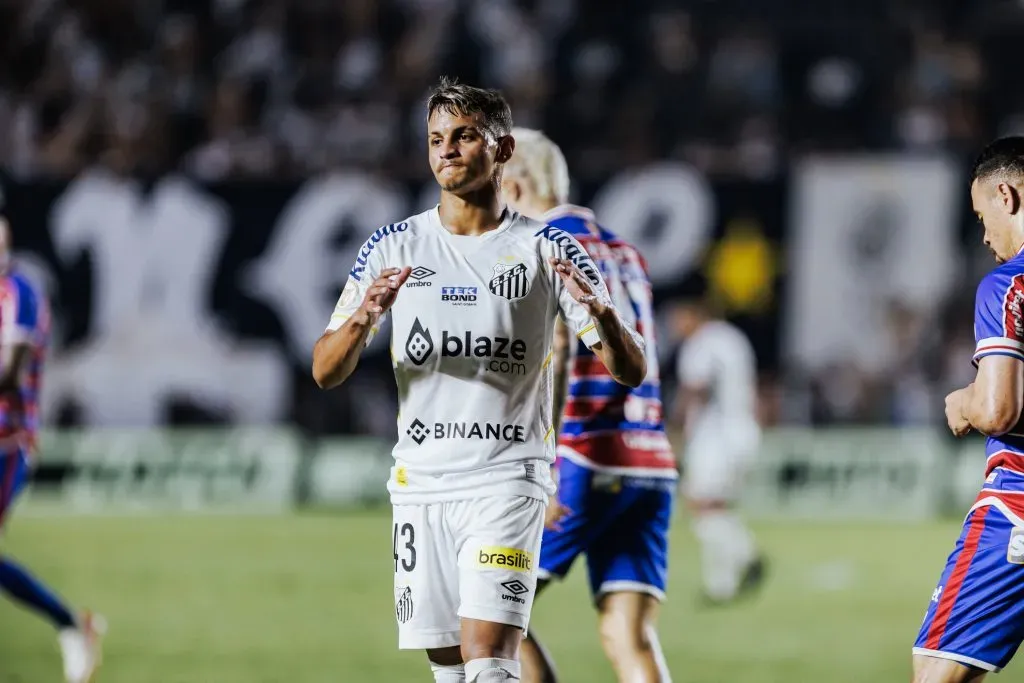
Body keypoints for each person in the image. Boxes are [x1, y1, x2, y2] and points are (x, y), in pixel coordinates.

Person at [312, 78, 646, 683]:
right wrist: (365, 317)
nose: (447, 150)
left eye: (464, 136)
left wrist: (599, 314)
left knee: (489, 661)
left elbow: (632, 369)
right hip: (419, 486)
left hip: (506, 479)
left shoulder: (546, 248)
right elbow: (325, 371)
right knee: (449, 670)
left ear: (503, 149)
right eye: (436, 139)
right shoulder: (395, 246)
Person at [501, 128, 675, 683]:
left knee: (482, 605)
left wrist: (542, 464)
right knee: (628, 634)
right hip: (649, 456)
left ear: (514, 182)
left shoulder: (538, 242)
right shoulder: (624, 250)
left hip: (581, 455)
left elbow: (551, 348)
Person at [914, 136, 1024, 682]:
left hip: (1017, 507)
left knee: (936, 671)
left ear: (1007, 195)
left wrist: (965, 401)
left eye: (983, 216)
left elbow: (1000, 410)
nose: (984, 236)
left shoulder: (1008, 286)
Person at [0, 217, 104, 683]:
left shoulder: (20, 296)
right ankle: (72, 625)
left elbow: (9, 374)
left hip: (7, 442)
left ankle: (71, 625)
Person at [669, 292, 765, 605]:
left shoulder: (701, 343)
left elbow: (696, 388)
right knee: (717, 507)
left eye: (679, 317)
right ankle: (721, 585)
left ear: (694, 314)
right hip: (744, 429)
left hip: (717, 435)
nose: (675, 325)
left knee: (700, 505)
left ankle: (746, 555)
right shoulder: (733, 337)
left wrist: (677, 432)